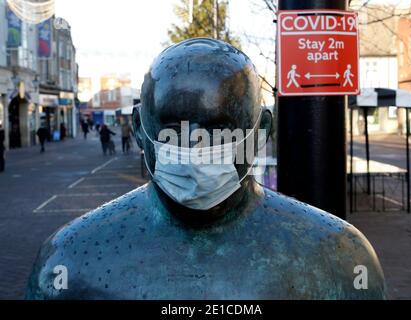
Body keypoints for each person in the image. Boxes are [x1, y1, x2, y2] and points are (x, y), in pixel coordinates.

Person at [26, 38, 386, 300]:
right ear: (139, 129)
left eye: (218, 127)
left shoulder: (339, 257)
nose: (193, 145)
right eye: (172, 125)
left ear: (260, 131)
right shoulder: (70, 260)